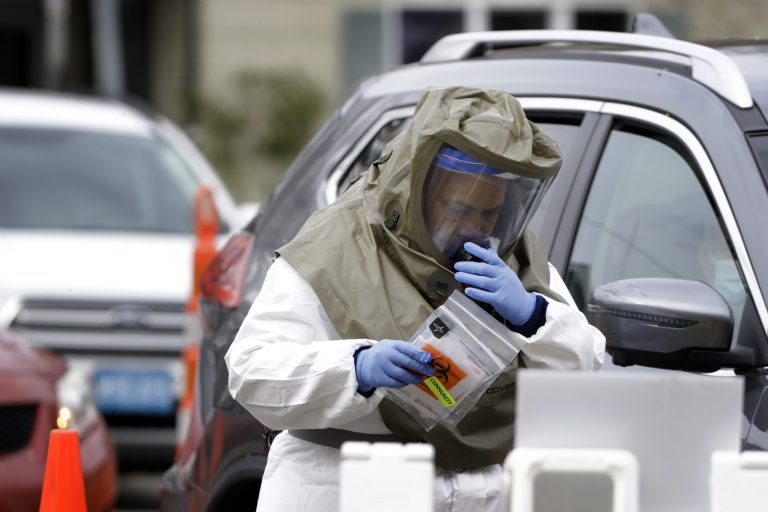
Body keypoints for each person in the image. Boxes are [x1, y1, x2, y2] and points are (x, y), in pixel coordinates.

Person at [225, 86, 605, 512]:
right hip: (347, 486)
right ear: (415, 190)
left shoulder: (515, 259)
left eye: (491, 213)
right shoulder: (337, 247)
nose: (476, 229)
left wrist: (534, 317)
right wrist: (356, 367)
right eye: (459, 210)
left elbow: (586, 369)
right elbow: (250, 373)